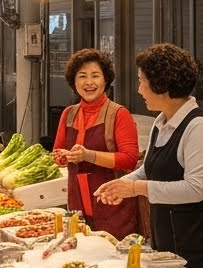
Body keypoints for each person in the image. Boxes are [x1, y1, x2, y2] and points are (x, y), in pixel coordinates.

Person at [94, 43, 203, 268]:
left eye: (141, 81)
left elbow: (196, 189)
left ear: (161, 85)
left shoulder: (198, 127)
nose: (139, 90)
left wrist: (136, 188)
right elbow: (150, 169)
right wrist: (121, 185)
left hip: (197, 244)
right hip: (167, 237)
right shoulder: (162, 122)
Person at [51, 49, 140, 239]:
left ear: (105, 80)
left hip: (113, 206)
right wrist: (61, 156)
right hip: (77, 204)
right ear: (74, 82)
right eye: (82, 76)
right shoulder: (69, 114)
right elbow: (58, 154)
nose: (89, 82)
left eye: (95, 76)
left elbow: (129, 159)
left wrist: (88, 155)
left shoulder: (119, 114)